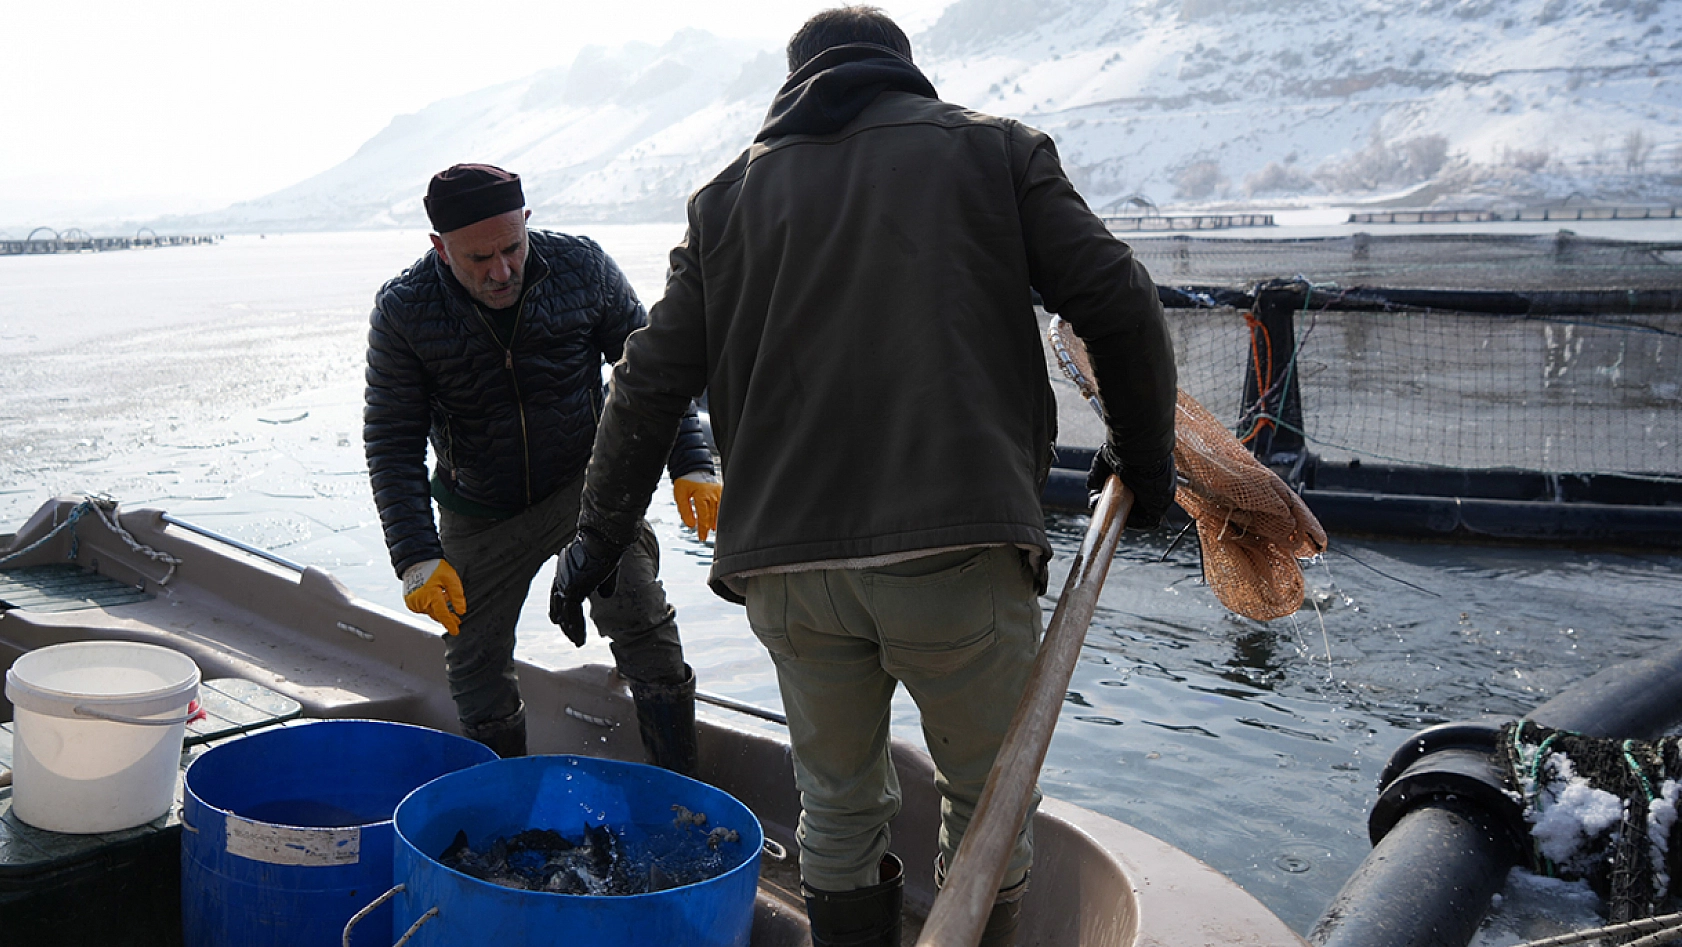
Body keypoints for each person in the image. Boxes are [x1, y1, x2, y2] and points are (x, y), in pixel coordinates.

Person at [551, 8, 1177, 946]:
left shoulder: (724, 201)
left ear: (793, 83)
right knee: (989, 803)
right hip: (957, 550)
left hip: (786, 568)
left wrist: (597, 538)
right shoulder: (995, 152)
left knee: (837, 807)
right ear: (902, 71)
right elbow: (1119, 300)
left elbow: (645, 381)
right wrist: (1142, 460)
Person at [364, 163, 720, 769]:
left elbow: (655, 372)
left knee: (642, 619)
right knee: (475, 664)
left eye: (512, 247)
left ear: (526, 222)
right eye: (479, 258)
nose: (501, 270)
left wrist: (692, 461)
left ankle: (679, 785)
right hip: (478, 509)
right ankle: (505, 794)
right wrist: (416, 557)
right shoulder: (404, 311)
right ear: (440, 248)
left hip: (585, 489)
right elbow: (392, 442)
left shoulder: (581, 268)